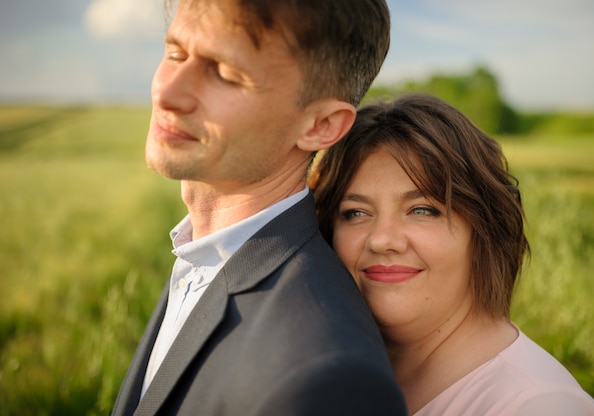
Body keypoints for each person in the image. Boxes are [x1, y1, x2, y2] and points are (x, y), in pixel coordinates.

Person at [112, 0, 407, 415]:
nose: (166, 91)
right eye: (175, 53)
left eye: (225, 73)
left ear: (321, 125)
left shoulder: (328, 379)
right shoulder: (204, 253)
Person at [311, 93, 594, 416]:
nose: (382, 240)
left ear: (483, 230)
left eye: (422, 210)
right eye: (355, 213)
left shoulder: (538, 406)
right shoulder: (340, 376)